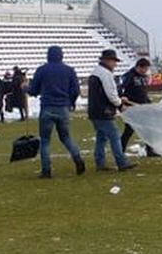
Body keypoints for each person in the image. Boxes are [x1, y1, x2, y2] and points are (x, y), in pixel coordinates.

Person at [28, 45, 85, 178]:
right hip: (63, 107)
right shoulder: (69, 70)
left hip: (47, 107)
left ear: (48, 56)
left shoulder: (42, 70)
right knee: (66, 137)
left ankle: (46, 170)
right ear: (61, 55)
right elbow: (75, 90)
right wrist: (71, 102)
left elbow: (34, 90)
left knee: (45, 141)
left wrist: (26, 88)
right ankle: (77, 158)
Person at [88, 49, 137, 172]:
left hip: (95, 110)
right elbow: (111, 94)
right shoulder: (106, 74)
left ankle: (100, 163)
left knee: (101, 137)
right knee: (114, 136)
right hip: (104, 111)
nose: (115, 64)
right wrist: (120, 104)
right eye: (114, 61)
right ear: (107, 61)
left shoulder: (96, 72)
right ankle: (121, 162)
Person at [120, 57, 158, 157]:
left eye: (147, 68)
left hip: (142, 107)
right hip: (131, 108)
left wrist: (148, 102)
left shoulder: (143, 77)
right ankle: (120, 151)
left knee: (148, 128)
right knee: (129, 130)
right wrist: (122, 96)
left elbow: (142, 92)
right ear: (138, 67)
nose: (145, 71)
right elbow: (120, 87)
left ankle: (150, 150)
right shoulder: (129, 76)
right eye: (144, 68)